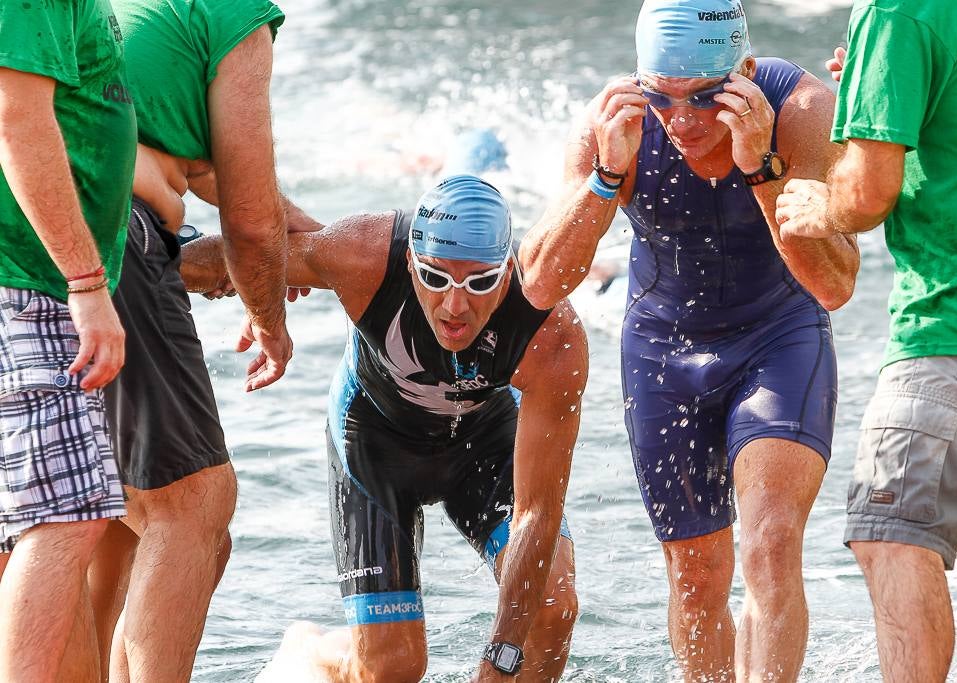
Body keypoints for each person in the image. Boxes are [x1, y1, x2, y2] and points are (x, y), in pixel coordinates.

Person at [519, 0, 861, 680]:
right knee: (698, 572)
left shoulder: (801, 110)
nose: (680, 121)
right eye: (662, 98)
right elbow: (539, 281)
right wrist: (605, 178)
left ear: (744, 72)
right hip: (663, 350)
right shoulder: (615, 119)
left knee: (767, 543)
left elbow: (836, 283)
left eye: (705, 98)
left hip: (779, 337)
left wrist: (763, 167)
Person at [183, 175, 585, 682]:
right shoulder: (366, 255)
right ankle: (310, 649)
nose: (455, 306)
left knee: (551, 606)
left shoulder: (551, 334)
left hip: (481, 444)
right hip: (374, 446)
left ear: (508, 272)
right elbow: (246, 254)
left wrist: (502, 656)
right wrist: (134, 266)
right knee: (393, 668)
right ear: (411, 264)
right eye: (435, 278)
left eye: (479, 282)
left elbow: (537, 511)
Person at [775, 2, 957, 680]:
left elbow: (867, 191)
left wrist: (818, 203)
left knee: (889, 538)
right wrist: (884, 82)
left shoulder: (898, 11)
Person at [86, 1, 309, 679]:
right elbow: (246, 217)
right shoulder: (232, 13)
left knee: (106, 513)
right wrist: (269, 318)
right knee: (194, 504)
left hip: (37, 228)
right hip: (113, 228)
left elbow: (205, 167)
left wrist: (293, 226)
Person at [0, 0, 136, 679]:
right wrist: (84, 281)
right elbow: (17, 117)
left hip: (23, 277)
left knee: (23, 521)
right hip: (30, 278)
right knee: (68, 513)